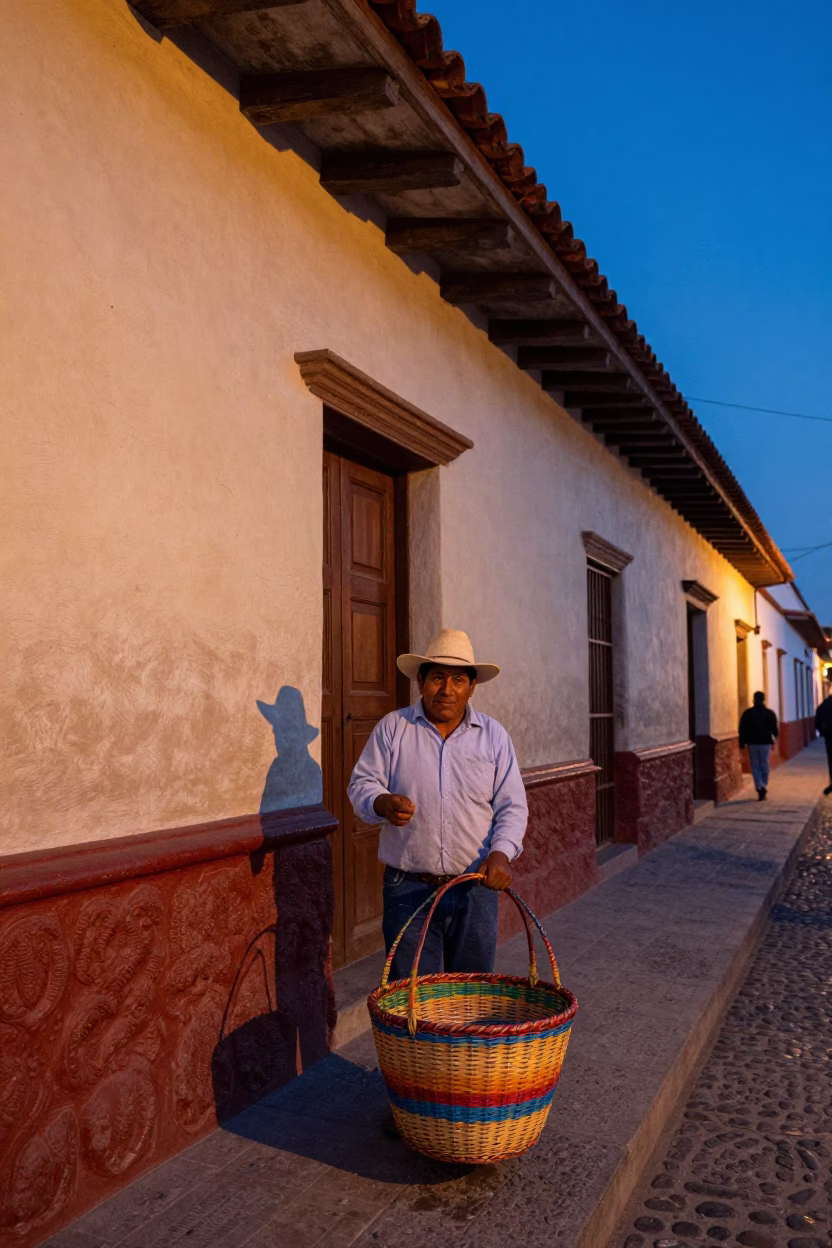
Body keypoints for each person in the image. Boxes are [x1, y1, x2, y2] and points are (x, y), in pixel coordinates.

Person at [347, 628, 528, 985]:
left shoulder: (494, 737)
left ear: (472, 687)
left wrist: (501, 854)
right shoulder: (393, 728)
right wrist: (381, 802)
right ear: (421, 682)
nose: (447, 690)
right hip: (408, 889)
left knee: (471, 999)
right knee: (412, 999)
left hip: (475, 888)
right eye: (437, 679)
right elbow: (361, 785)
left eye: (458, 680)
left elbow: (512, 805)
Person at [739, 691, 779, 801]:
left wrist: (742, 744)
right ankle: (764, 785)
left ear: (753, 700)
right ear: (764, 699)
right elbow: (774, 729)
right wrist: (774, 739)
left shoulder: (747, 713)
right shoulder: (769, 713)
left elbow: (742, 729)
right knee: (764, 763)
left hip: (752, 743)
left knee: (755, 765)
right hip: (765, 742)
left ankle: (759, 786)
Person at [814, 681, 832, 796]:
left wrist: (821, 731)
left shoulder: (825, 704)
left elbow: (817, 718)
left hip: (830, 736)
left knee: (831, 759)